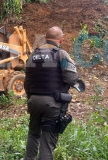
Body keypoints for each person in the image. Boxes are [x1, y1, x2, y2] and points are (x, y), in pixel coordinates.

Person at [24, 26, 80, 160]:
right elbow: (71, 79)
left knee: (33, 134)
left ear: (45, 37)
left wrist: (31, 97)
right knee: (48, 140)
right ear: (61, 39)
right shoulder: (61, 54)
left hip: (33, 101)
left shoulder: (33, 55)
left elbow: (27, 81)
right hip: (53, 103)